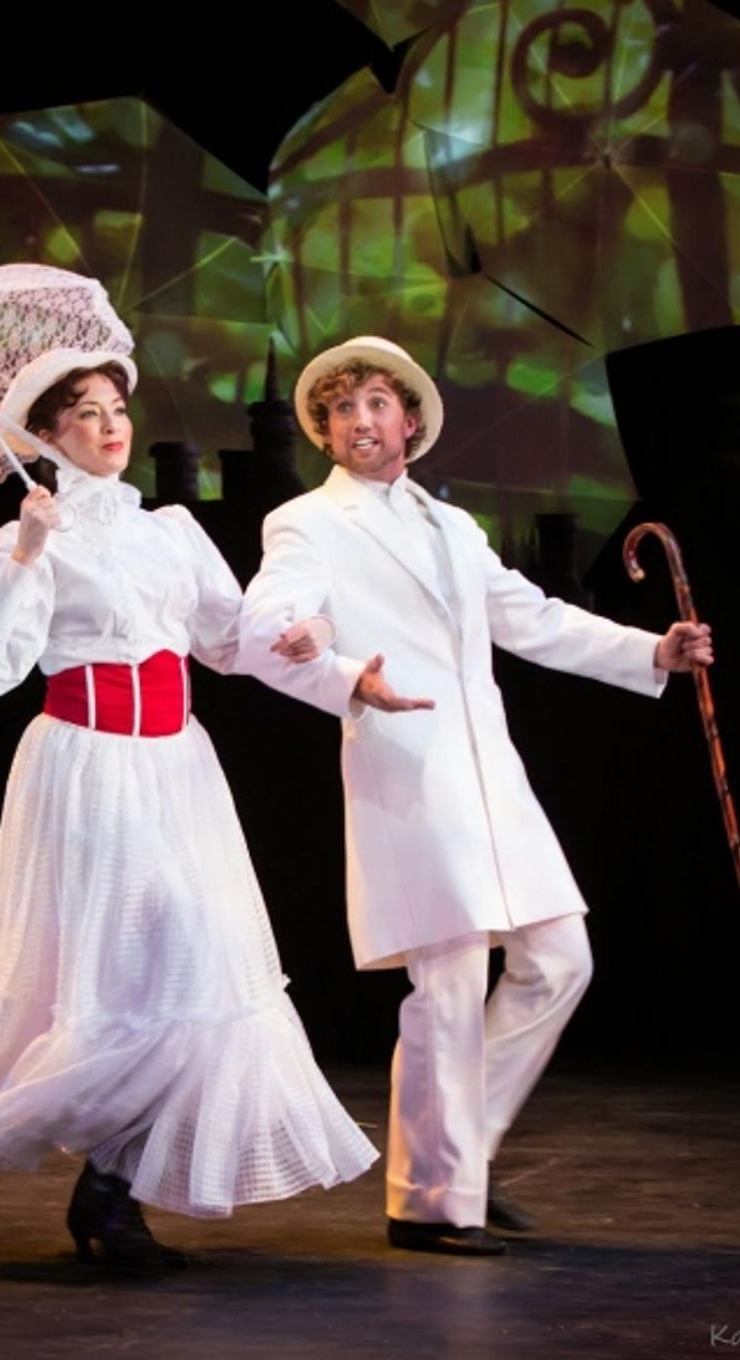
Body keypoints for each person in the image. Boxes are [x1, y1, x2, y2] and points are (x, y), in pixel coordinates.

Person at [0, 348, 376, 1268]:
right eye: (87, 414)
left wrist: (321, 644)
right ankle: (107, 1185)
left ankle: (110, 1189)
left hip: (177, 767)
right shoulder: (27, 537)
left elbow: (233, 640)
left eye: (116, 409)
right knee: (139, 964)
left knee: (200, 963)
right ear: (46, 436)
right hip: (89, 765)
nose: (110, 426)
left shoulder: (170, 531)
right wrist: (28, 553)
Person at [238, 336, 712, 1257]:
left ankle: (459, 1159)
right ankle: (431, 1202)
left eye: (375, 403)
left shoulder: (453, 526)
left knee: (561, 960)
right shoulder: (307, 521)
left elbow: (530, 618)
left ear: (409, 420)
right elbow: (270, 618)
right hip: (409, 768)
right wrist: (328, 661)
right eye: (340, 410)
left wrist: (650, 651)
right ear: (325, 434)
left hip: (491, 774)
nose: (358, 421)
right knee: (449, 983)